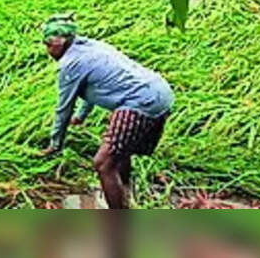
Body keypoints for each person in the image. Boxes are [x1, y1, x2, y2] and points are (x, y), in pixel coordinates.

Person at [39, 13, 174, 209]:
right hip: (161, 91)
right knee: (120, 150)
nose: (47, 50)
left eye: (49, 44)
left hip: (141, 102)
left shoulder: (70, 64)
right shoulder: (91, 46)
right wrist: (81, 117)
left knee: (103, 163)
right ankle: (123, 190)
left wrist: (55, 144)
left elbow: (64, 107)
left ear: (62, 42)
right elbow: (90, 88)